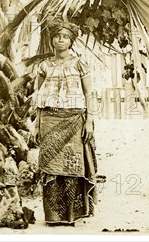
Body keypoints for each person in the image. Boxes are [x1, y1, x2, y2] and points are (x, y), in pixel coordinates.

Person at [34, 19, 98, 226]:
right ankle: (53, 216)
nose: (61, 40)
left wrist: (89, 121)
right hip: (49, 119)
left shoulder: (80, 63)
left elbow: (89, 93)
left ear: (71, 41)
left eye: (65, 37)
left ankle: (72, 215)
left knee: (72, 164)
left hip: (74, 119)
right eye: (57, 36)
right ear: (51, 39)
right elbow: (39, 96)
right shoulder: (44, 66)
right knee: (51, 166)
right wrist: (36, 124)